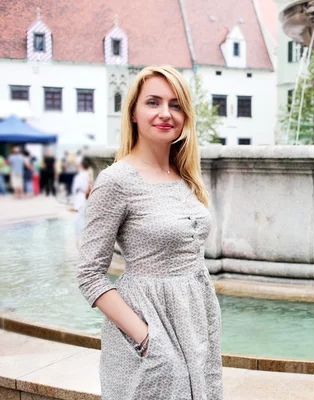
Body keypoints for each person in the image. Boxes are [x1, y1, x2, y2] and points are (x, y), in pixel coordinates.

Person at [76, 65, 223, 399]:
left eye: (175, 104)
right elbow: (89, 275)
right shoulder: (118, 180)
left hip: (194, 323)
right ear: (133, 113)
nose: (165, 113)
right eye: (153, 102)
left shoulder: (184, 176)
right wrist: (146, 339)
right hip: (148, 323)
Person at [71, 156, 92, 244]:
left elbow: (74, 189)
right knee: (87, 219)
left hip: (80, 198)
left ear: (81, 166)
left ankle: (78, 238)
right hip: (89, 198)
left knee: (78, 219)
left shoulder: (78, 177)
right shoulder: (90, 175)